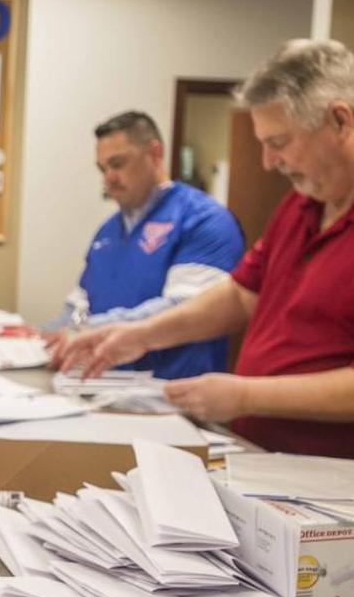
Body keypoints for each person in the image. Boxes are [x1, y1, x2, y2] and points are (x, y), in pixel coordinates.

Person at [58, 39, 354, 458]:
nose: (269, 162)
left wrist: (248, 396)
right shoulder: (300, 205)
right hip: (262, 457)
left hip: (332, 482)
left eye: (280, 142)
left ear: (340, 121)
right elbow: (239, 296)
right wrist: (140, 336)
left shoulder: (202, 217)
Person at [46, 111, 244, 380]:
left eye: (118, 164)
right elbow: (79, 304)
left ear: (155, 153)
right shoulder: (108, 232)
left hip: (173, 395)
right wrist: (44, 337)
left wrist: (90, 329)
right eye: (102, 169)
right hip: (104, 387)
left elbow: (188, 308)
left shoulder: (203, 220)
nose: (109, 178)